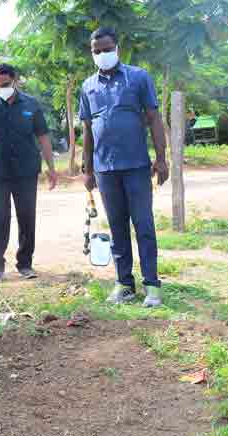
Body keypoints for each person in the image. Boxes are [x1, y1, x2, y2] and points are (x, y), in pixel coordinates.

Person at [79, 27, 169, 308]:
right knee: (117, 227)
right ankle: (124, 283)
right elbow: (87, 129)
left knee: (143, 224)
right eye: (96, 51)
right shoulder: (87, 86)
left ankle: (152, 285)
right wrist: (88, 170)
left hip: (136, 165)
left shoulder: (138, 77)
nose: (102, 54)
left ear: (117, 48)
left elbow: (153, 118)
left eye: (106, 49)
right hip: (105, 169)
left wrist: (161, 158)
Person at [0, 63, 58, 281]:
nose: (1, 88)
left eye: (5, 84)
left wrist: (51, 168)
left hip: (26, 171)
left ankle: (25, 264)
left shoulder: (31, 105)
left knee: (26, 217)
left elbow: (43, 137)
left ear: (15, 81)